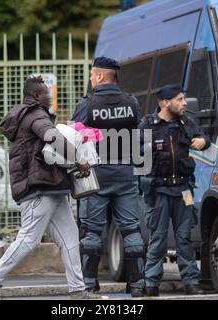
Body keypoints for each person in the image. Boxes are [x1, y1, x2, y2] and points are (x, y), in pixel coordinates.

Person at [0, 76, 104, 300]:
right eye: (46, 93)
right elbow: (52, 136)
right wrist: (77, 159)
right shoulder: (35, 114)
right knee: (29, 238)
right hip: (39, 188)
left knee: (70, 238)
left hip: (52, 186)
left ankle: (77, 290)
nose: (50, 96)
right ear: (37, 96)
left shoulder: (32, 114)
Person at [72, 57, 146, 297]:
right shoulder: (132, 103)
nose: (91, 78)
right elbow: (141, 138)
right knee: (131, 230)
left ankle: (89, 285)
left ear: (101, 76)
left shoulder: (87, 104)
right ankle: (137, 285)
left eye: (93, 74)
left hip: (96, 175)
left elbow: (74, 139)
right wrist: (139, 173)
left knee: (92, 232)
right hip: (126, 174)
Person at [138, 85, 210, 296]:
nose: (184, 103)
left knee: (185, 238)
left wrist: (202, 141)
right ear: (165, 103)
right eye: (179, 99)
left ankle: (191, 283)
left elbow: (205, 139)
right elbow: (135, 158)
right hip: (158, 190)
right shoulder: (147, 126)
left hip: (183, 190)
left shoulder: (186, 123)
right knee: (157, 238)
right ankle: (151, 283)